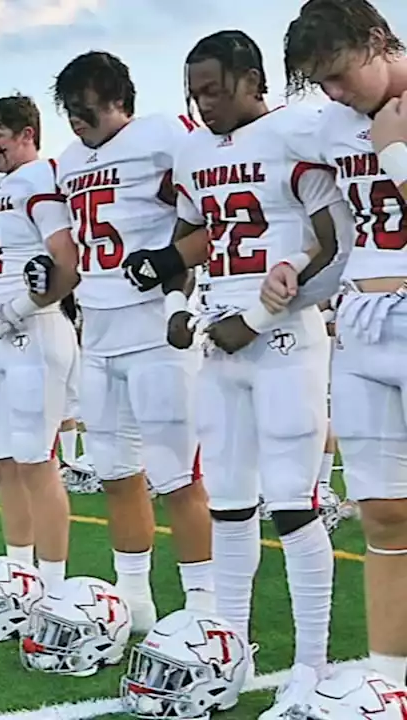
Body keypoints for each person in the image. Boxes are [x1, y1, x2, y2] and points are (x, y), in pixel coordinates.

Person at [120, 29, 355, 716]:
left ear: (255, 80)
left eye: (216, 92)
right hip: (218, 342)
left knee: (292, 501)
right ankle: (229, 646)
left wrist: (255, 316)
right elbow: (191, 240)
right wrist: (175, 299)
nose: (205, 106)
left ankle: (309, 669)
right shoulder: (194, 149)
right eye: (195, 94)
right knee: (227, 501)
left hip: (283, 338)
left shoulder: (297, 133)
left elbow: (335, 244)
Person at [49, 50, 214, 630]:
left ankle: (202, 608)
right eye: (68, 110)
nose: (76, 120)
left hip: (154, 331)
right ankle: (135, 600)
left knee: (177, 474)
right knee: (116, 473)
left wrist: (173, 275)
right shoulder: (69, 160)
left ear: (119, 99)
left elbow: (206, 214)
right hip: (98, 332)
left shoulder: (164, 136)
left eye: (85, 108)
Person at [281, 0, 407, 691]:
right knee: (383, 512)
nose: (333, 92)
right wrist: (294, 263)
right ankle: (392, 680)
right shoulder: (329, 123)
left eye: (337, 73)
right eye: (319, 82)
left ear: (376, 39)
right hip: (361, 321)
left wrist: (393, 151)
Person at [0, 94, 78, 593]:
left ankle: (54, 584)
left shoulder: (42, 177)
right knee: (2, 459)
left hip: (35, 330)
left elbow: (65, 262)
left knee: (37, 461)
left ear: (26, 134)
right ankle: (20, 573)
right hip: (0, 336)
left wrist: (19, 307)